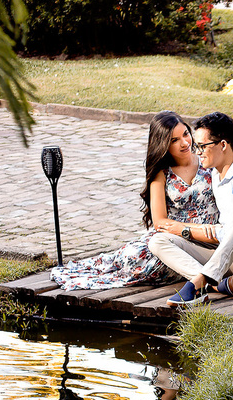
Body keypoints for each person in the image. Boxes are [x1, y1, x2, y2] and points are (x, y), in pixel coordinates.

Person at [50, 111, 218, 290]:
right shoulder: (162, 173)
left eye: (185, 134)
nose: (184, 143)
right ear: (163, 144)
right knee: (133, 256)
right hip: (174, 236)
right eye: (173, 140)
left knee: (156, 263)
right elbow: (160, 222)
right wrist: (190, 229)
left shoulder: (207, 161)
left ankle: (202, 277)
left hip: (208, 238)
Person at [148, 111, 233, 307]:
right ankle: (212, 285)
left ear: (223, 145)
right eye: (196, 145)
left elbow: (232, 231)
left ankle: (199, 282)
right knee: (158, 241)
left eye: (202, 146)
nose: (196, 151)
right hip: (226, 257)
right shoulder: (216, 174)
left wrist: (189, 230)